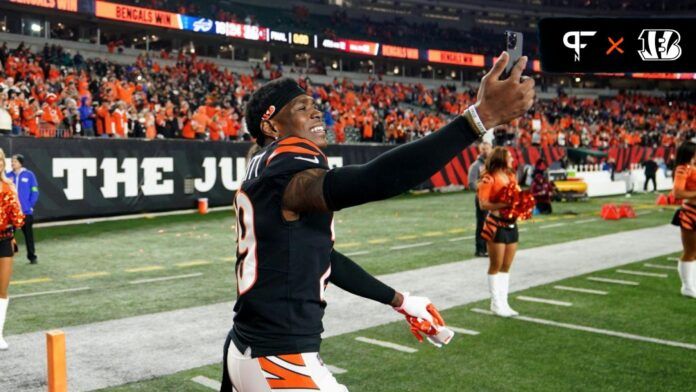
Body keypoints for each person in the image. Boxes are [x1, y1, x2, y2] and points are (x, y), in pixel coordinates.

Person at [221, 53, 535, 391]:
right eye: (300, 107)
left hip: (243, 347)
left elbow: (321, 258)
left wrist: (400, 300)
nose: (316, 111)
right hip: (280, 360)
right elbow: (377, 179)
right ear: (271, 126)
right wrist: (478, 118)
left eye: (314, 104)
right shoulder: (288, 171)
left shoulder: (264, 172)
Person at [477, 147, 522, 317]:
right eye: (509, 156)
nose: (512, 159)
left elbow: (516, 196)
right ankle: (495, 304)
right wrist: (505, 204)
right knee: (495, 265)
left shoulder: (511, 175)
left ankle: (504, 302)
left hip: (511, 224)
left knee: (506, 267)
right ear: (501, 158)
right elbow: (483, 204)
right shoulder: (488, 178)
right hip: (496, 224)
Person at [0, 148, 26, 350]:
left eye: (0, 160)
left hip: (4, 240)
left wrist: (13, 199)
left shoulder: (9, 187)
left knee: (2, 290)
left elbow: (18, 219)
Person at [670, 141, 696, 298]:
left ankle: (692, 284)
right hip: (690, 213)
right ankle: (687, 286)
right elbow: (677, 193)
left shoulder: (692, 168)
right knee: (690, 252)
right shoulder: (682, 169)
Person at [7, 154, 39, 264]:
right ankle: (7, 257)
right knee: (8, 237)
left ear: (20, 163)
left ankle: (32, 257)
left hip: (26, 212)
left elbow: (35, 191)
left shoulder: (29, 175)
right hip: (12, 213)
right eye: (11, 162)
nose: (12, 163)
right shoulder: (7, 175)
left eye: (14, 162)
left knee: (29, 236)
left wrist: (29, 205)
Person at [468, 141, 492, 257]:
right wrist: (484, 186)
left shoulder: (492, 165)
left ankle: (488, 248)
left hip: (491, 198)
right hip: (482, 197)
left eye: (487, 149)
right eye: (483, 149)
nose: (485, 151)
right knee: (482, 223)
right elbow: (471, 184)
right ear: (480, 151)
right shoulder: (476, 166)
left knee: (490, 223)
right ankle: (480, 249)